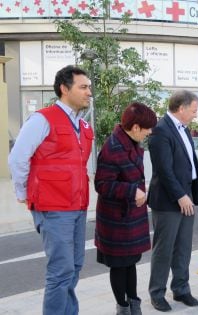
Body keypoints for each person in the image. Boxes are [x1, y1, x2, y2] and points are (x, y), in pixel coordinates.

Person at [8, 65, 94, 314]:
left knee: (75, 266)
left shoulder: (83, 126)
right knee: (61, 270)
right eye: (83, 87)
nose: (89, 92)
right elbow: (18, 159)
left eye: (89, 87)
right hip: (53, 207)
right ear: (64, 89)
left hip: (77, 206)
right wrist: (24, 193)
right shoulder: (42, 119)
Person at [147, 90, 198, 312]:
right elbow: (164, 171)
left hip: (187, 196)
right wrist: (180, 196)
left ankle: (181, 289)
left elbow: (191, 163)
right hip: (169, 201)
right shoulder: (160, 131)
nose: (195, 115)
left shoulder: (184, 129)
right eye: (194, 110)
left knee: (183, 247)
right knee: (164, 249)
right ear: (181, 108)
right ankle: (157, 293)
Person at [94, 102, 157, 315]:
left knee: (130, 263)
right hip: (116, 218)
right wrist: (132, 191)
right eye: (148, 128)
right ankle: (123, 307)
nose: (150, 132)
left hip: (131, 215)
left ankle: (134, 303)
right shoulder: (112, 147)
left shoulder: (131, 142)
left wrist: (139, 190)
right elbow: (101, 185)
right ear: (136, 127)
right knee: (119, 265)